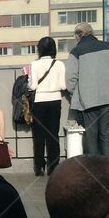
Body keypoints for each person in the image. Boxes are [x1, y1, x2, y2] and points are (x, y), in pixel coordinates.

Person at [64, 22, 109, 157]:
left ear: (78, 36)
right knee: (106, 136)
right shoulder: (108, 46)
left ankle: (94, 169)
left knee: (91, 138)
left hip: (88, 101)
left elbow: (70, 80)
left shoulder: (76, 51)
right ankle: (106, 166)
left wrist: (76, 93)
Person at [29, 36, 67, 176]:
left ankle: (39, 167)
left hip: (39, 101)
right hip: (55, 101)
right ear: (53, 49)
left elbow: (32, 86)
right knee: (53, 134)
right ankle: (53, 167)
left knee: (38, 136)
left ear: (39, 49)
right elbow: (63, 85)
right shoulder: (60, 64)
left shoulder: (34, 64)